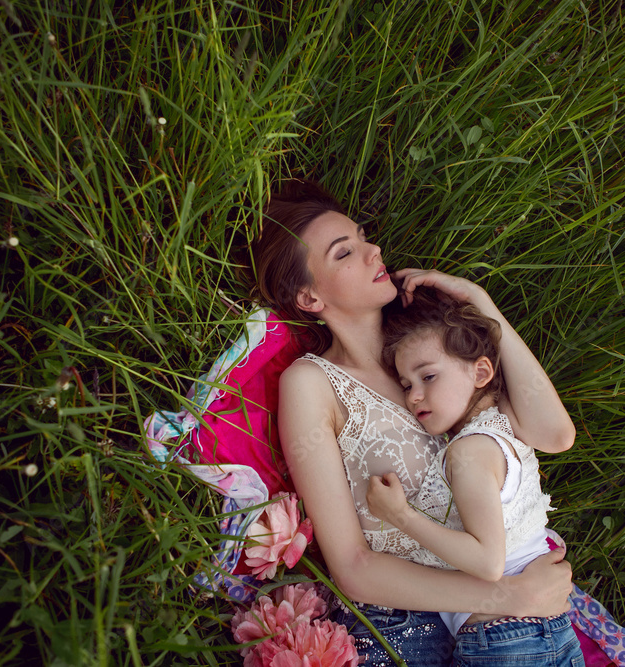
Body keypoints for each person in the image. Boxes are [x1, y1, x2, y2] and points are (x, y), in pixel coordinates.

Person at [250, 179, 576, 666]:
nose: (373, 250)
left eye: (364, 236)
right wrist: (508, 598)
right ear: (310, 299)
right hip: (408, 622)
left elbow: (555, 435)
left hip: (508, 611)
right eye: (345, 253)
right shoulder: (313, 383)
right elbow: (354, 567)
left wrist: (481, 305)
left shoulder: (434, 347)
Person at [366, 286, 584, 665]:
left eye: (428, 377)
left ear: (482, 370)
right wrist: (480, 300)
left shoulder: (469, 451)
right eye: (406, 385)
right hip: (545, 628)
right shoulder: (503, 424)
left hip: (505, 637)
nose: (414, 396)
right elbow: (559, 434)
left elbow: (487, 562)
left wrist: (401, 516)